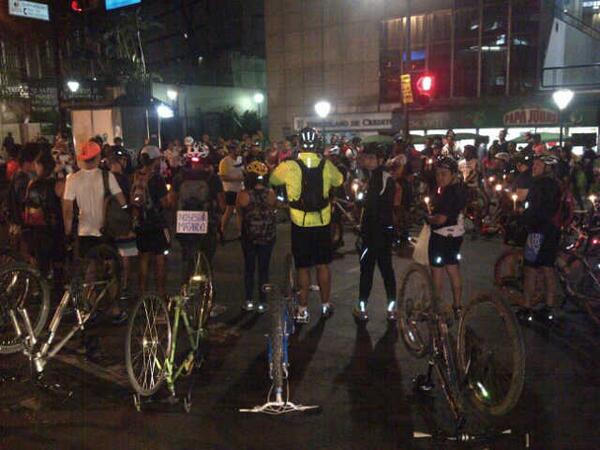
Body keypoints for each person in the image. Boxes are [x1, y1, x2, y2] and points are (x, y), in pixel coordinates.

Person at [270, 127, 344, 323]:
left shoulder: (290, 165)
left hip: (299, 222)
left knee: (303, 267)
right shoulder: (326, 165)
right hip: (322, 222)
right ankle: (326, 305)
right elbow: (339, 180)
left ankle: (302, 310)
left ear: (299, 145)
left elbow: (273, 179)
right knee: (323, 265)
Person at [62, 140, 127, 322]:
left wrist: (68, 231)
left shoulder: (72, 179)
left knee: (88, 271)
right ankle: (114, 310)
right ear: (98, 157)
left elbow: (67, 210)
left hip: (84, 233)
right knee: (111, 269)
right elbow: (122, 202)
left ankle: (89, 308)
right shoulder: (108, 177)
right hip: (106, 231)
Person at [352, 144, 401, 322]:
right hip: (384, 232)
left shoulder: (378, 179)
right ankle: (391, 307)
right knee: (386, 269)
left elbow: (371, 204)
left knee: (368, 270)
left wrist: (360, 198)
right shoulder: (378, 178)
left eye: (372, 158)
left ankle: (363, 307)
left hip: (373, 233)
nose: (367, 160)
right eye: (367, 157)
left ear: (380, 160)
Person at [172, 148, 224, 283]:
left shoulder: (179, 177)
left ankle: (185, 286)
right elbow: (222, 204)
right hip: (206, 221)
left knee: (187, 254)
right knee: (207, 256)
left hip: (185, 222)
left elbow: (171, 201)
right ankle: (207, 288)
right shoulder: (212, 178)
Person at [520, 154, 562, 321]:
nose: (534, 167)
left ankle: (527, 307)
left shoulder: (539, 185)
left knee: (530, 269)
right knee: (547, 268)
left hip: (537, 232)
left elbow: (534, 211)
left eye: (537, 165)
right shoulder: (556, 185)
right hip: (552, 230)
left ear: (547, 168)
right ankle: (549, 307)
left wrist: (522, 219)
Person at [426, 157, 467, 316]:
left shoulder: (448, 193)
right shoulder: (460, 188)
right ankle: (457, 305)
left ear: (453, 174)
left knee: (437, 271)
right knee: (453, 268)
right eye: (438, 174)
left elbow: (441, 218)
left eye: (444, 174)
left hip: (441, 236)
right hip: (456, 235)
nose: (440, 177)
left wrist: (428, 218)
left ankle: (437, 307)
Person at [237, 161, 277, 313]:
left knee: (249, 268)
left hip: (249, 237)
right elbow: (273, 209)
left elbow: (240, 215)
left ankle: (248, 300)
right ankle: (262, 301)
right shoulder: (271, 194)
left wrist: (240, 232)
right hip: (267, 237)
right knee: (264, 269)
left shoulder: (243, 195)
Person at [131, 145, 170, 297]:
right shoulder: (157, 179)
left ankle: (142, 293)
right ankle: (161, 293)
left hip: (140, 223)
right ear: (154, 160)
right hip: (157, 223)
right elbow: (165, 202)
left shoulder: (135, 176)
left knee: (143, 258)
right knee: (160, 258)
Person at [23, 150, 64, 278]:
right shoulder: (58, 185)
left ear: (40, 165)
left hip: (38, 231)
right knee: (58, 265)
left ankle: (42, 292)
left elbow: (27, 209)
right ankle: (57, 292)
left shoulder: (32, 184)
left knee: (42, 268)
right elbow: (64, 208)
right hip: (55, 229)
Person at [7, 143, 38, 256]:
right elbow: (25, 201)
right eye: (36, 161)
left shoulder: (21, 176)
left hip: (23, 224)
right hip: (25, 226)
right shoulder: (22, 179)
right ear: (27, 162)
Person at [218, 142, 244, 241]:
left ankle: (240, 232)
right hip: (230, 190)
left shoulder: (240, 159)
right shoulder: (225, 161)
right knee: (229, 211)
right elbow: (223, 177)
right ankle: (222, 230)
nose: (239, 150)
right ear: (231, 150)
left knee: (239, 211)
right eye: (237, 149)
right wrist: (236, 179)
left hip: (240, 189)